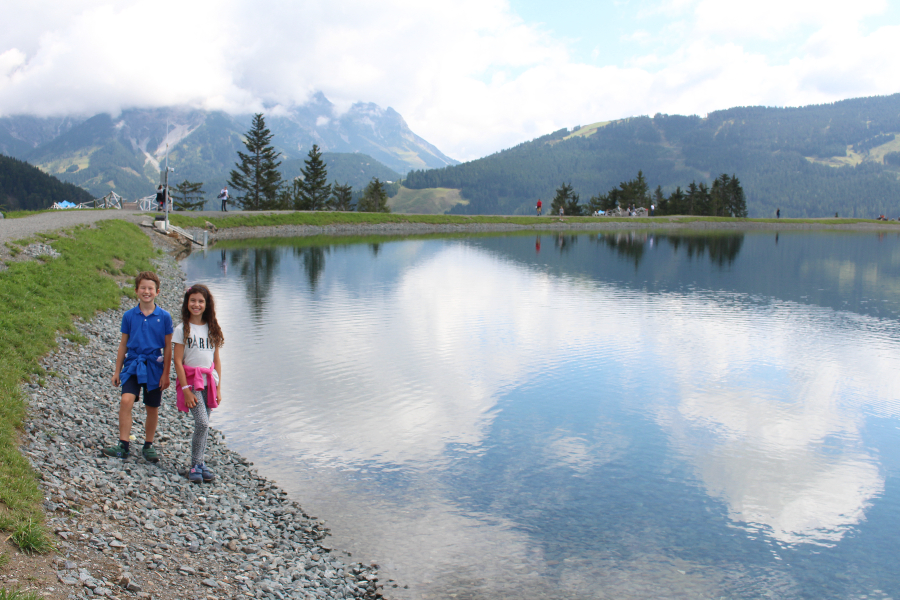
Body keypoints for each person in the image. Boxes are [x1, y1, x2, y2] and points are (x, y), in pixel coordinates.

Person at [103, 272, 173, 461]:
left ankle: (148, 445)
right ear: (136, 291)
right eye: (143, 288)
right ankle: (123, 444)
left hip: (154, 366)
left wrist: (166, 373)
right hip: (133, 364)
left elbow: (168, 348)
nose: (146, 291)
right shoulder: (129, 316)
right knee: (126, 400)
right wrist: (117, 371)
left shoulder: (164, 317)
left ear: (157, 292)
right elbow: (123, 344)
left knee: (152, 407)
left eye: (150, 288)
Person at [173, 284, 224, 483]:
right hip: (192, 383)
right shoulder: (182, 329)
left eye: (201, 301)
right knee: (202, 423)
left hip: (209, 382)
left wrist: (219, 388)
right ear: (187, 303)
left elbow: (216, 360)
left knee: (205, 424)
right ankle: (195, 464)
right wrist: (186, 390)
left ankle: (200, 464)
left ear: (207, 304)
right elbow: (177, 361)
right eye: (193, 301)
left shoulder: (212, 328)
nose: (196, 305)